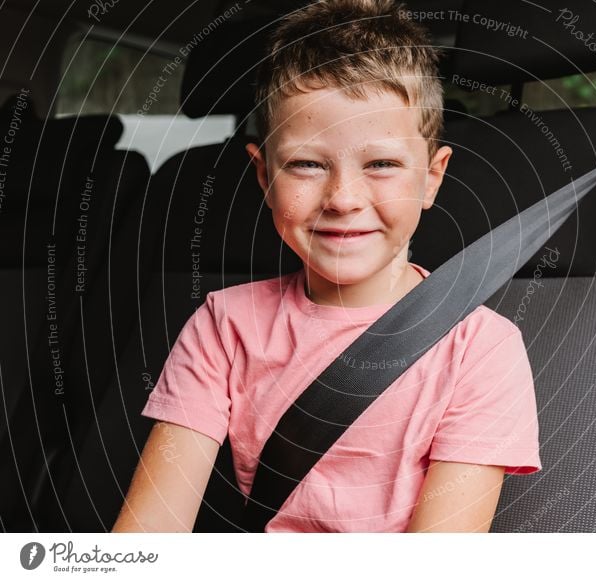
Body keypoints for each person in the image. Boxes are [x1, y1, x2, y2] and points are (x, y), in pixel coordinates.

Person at [112, 0, 540, 533]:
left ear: (431, 178)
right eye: (307, 164)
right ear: (264, 178)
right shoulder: (223, 327)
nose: (342, 198)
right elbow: (146, 541)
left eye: (381, 164)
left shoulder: (479, 349)